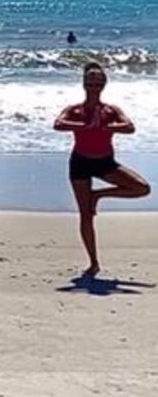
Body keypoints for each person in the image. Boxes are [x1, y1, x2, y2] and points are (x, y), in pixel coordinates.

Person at [53, 62, 150, 276]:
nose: (93, 87)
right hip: (80, 163)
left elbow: (130, 127)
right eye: (90, 83)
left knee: (142, 188)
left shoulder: (111, 110)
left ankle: (99, 195)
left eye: (97, 83)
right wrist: (84, 126)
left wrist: (107, 126)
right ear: (84, 84)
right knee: (85, 215)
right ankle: (93, 262)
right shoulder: (75, 109)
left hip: (105, 163)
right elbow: (58, 124)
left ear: (104, 85)